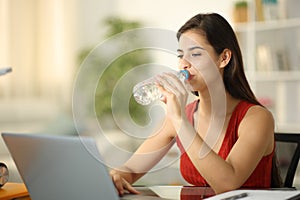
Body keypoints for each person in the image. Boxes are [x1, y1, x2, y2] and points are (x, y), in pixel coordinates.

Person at [109, 13, 282, 195]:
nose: (184, 63)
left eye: (196, 54)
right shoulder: (181, 116)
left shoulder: (257, 118)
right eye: (181, 55)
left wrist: (179, 119)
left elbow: (227, 183)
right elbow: (131, 170)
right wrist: (117, 175)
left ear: (223, 58)